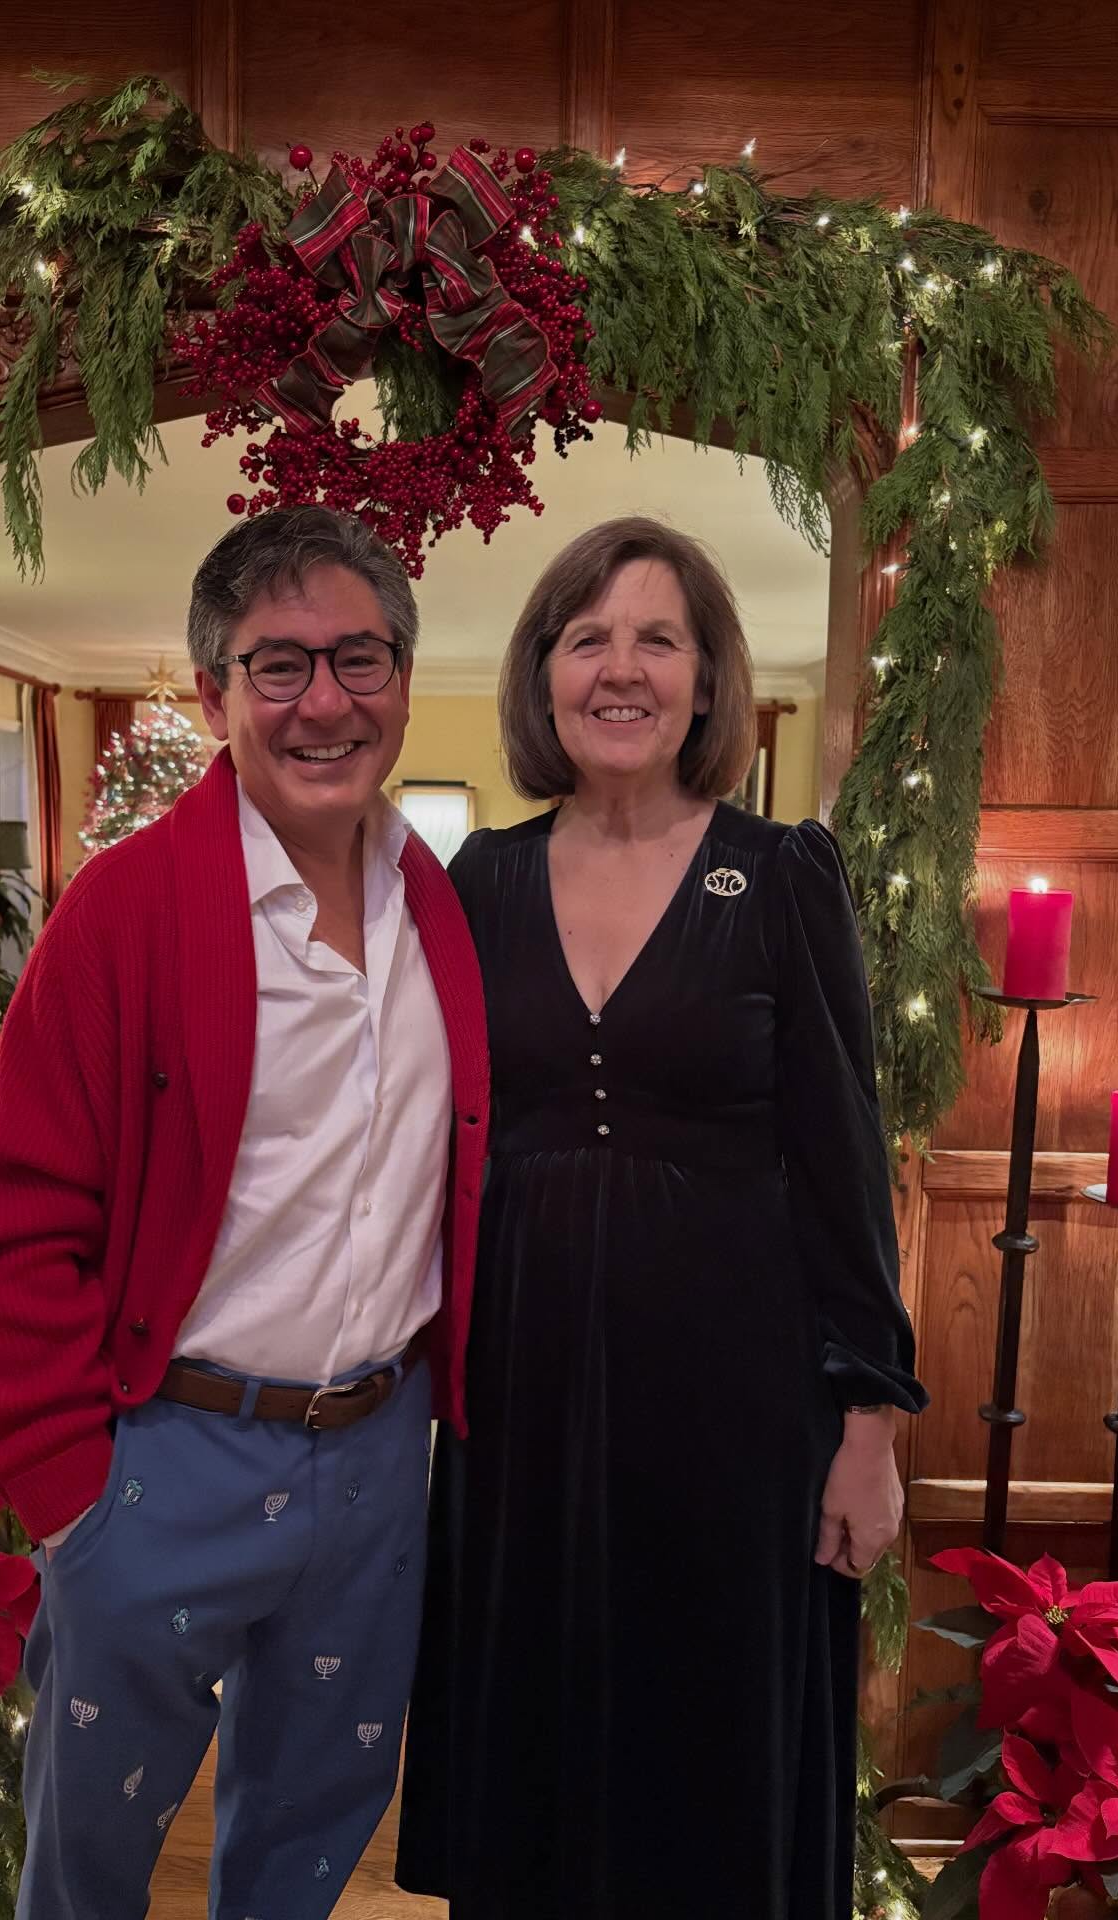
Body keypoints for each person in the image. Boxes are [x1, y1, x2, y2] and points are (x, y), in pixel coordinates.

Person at [0, 504, 490, 1920]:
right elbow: (2, 1220)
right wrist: (69, 1498)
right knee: (92, 1869)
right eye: (277, 665)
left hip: (375, 1466)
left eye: (360, 658)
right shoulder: (125, 913)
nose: (325, 702)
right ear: (211, 694)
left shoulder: (443, 908)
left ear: (406, 681)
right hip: (161, 1463)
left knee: (309, 1847)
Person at [396, 516, 927, 1920]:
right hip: (522, 1406)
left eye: (658, 639)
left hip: (741, 1413)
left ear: (706, 683)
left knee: (717, 1748)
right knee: (538, 1737)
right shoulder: (478, 884)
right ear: (543, 676)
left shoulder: (783, 874)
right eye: (588, 639)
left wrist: (869, 1428)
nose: (620, 669)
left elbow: (842, 1154)